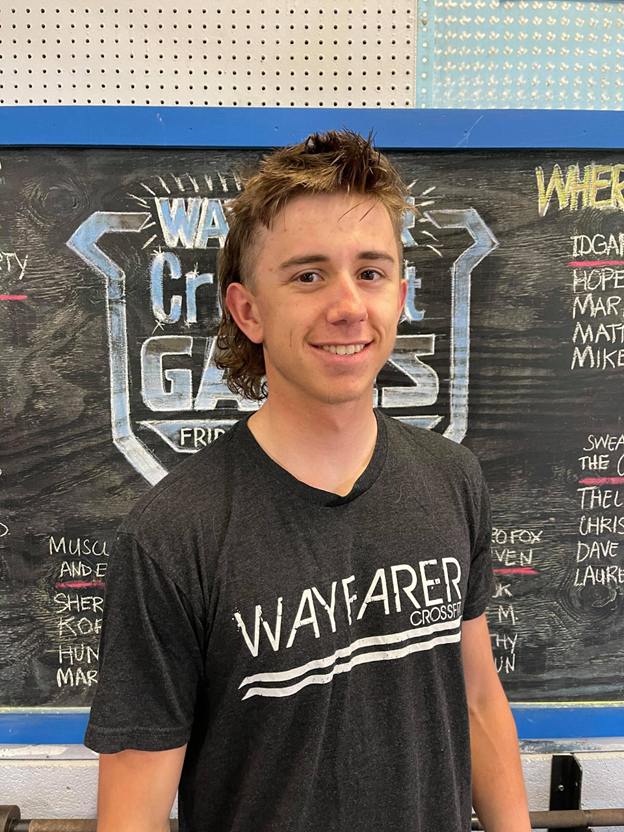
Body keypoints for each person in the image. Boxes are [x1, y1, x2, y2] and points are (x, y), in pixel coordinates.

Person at [84, 128, 531, 832]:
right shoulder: (173, 535)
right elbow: (132, 815)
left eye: (372, 272)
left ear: (401, 295)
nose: (349, 305)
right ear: (248, 311)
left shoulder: (454, 480)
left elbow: (476, 701)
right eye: (308, 274)